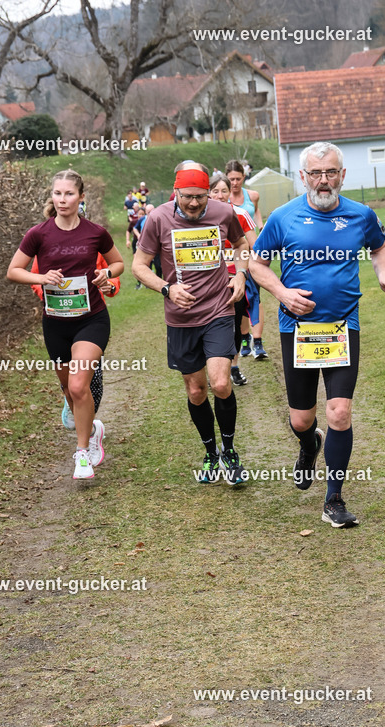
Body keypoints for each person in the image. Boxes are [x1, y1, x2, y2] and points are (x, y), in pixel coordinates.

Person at [250, 141, 385, 527]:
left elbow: (381, 246)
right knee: (302, 419)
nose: (323, 180)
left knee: (339, 412)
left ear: (342, 175)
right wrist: (281, 292)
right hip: (297, 330)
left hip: (342, 327)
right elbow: (257, 263)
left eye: (330, 172)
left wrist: (382, 275)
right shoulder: (283, 218)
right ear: (303, 177)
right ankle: (308, 444)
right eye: (315, 173)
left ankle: (334, 498)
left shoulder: (361, 215)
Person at [132, 163, 249, 485]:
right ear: (176, 192)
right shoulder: (158, 219)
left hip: (219, 309)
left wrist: (239, 273)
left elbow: (241, 246)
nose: (194, 204)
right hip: (181, 318)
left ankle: (229, 451)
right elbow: (139, 266)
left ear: (208, 194)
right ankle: (210, 453)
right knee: (197, 391)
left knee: (221, 384)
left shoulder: (224, 213)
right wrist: (167, 289)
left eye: (200, 197)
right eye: (187, 198)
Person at [7, 169, 124, 480]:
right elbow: (14, 271)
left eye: (69, 193)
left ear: (81, 197)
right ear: (52, 196)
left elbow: (118, 263)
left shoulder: (95, 232)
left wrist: (107, 275)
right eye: (57, 193)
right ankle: (94, 429)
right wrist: (41, 277)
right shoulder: (38, 234)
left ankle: (82, 452)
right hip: (56, 323)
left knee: (77, 385)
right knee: (68, 390)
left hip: (91, 320)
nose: (62, 199)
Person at [29, 251, 119, 429]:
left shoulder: (93, 241)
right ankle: (78, 412)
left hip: (90, 322)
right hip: (58, 323)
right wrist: (47, 292)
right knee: (70, 385)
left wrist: (110, 286)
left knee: (90, 383)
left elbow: (111, 273)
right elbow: (34, 277)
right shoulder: (45, 244)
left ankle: (88, 430)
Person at [209, 172, 259, 386]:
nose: (220, 196)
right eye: (215, 191)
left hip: (234, 278)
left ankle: (234, 366)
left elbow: (253, 246)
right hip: (209, 280)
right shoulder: (201, 218)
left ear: (231, 193)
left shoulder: (239, 214)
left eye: (224, 191)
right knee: (210, 325)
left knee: (235, 323)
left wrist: (239, 268)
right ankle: (214, 370)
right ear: (208, 193)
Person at [225, 159, 267, 359]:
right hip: (231, 256)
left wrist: (259, 224)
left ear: (243, 177)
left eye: (238, 178)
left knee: (255, 298)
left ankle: (258, 342)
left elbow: (255, 211)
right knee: (238, 301)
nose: (234, 183)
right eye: (231, 179)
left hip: (252, 249)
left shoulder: (252, 196)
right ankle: (244, 338)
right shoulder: (221, 199)